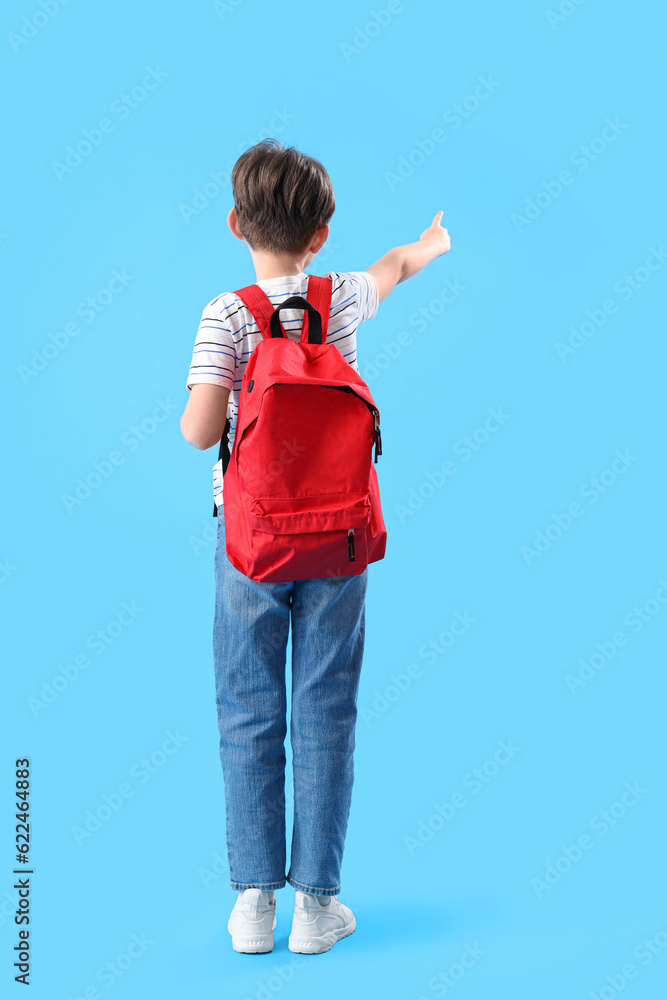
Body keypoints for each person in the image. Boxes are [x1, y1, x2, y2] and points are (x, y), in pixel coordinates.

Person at [180, 139, 451, 954]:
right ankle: (317, 907)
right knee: (326, 713)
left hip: (249, 547)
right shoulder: (341, 298)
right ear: (322, 235)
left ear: (235, 224)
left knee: (248, 712)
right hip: (337, 543)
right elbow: (398, 265)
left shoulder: (226, 313)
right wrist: (431, 243)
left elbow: (199, 435)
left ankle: (253, 904)